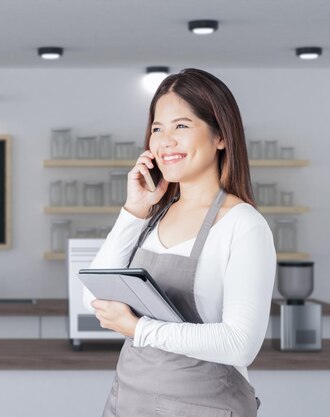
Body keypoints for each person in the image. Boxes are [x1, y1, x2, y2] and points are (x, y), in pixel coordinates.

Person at [84, 68, 276, 417]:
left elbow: (239, 345)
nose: (164, 141)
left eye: (181, 126)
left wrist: (140, 329)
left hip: (203, 408)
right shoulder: (153, 215)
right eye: (157, 128)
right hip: (128, 400)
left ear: (221, 136)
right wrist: (133, 211)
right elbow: (94, 296)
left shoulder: (243, 225)